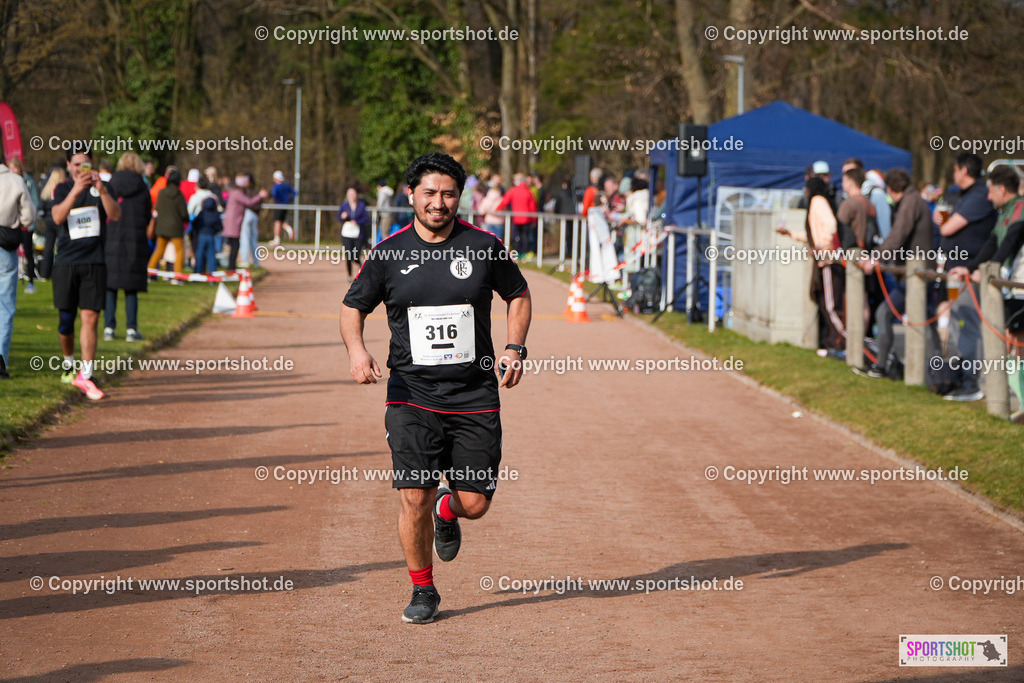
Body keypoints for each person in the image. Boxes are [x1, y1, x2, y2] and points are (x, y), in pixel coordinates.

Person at [340, 152, 532, 624]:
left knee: (476, 504)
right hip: (411, 393)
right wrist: (357, 351)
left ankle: (450, 508)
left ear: (459, 197)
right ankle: (423, 590)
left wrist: (514, 348)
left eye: (448, 193)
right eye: (429, 193)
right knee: (414, 495)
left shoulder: (484, 245)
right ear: (411, 195)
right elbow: (352, 307)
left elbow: (518, 294)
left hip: (474, 393)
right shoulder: (388, 252)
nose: (438, 202)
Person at [946, 165, 1024, 403]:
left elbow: (1011, 240)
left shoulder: (1020, 208)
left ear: (1002, 189)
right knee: (1013, 338)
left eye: (990, 191)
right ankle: (1017, 398)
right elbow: (992, 243)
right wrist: (971, 268)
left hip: (1019, 282)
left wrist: (993, 268)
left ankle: (1018, 398)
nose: (988, 197)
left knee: (1018, 339)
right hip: (1011, 283)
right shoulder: (1003, 212)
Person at [50, 150, 121, 399]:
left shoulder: (102, 186)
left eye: (85, 164)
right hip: (67, 262)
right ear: (69, 165)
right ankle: (69, 362)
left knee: (90, 317)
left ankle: (87, 374)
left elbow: (115, 215)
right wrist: (75, 190)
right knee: (66, 321)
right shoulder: (61, 189)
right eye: (76, 164)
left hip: (94, 261)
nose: (81, 168)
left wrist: (101, 190)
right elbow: (58, 216)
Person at [855, 169, 937, 378]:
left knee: (885, 313)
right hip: (919, 272)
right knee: (929, 323)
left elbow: (897, 234)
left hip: (917, 274)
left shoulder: (910, 202)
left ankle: (882, 366)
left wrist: (876, 257)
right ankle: (938, 373)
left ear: (891, 189)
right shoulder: (914, 200)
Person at [937, 153, 998, 401]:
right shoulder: (960, 194)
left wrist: (944, 221)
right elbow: (943, 220)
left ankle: (972, 384)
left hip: (968, 272)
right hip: (955, 271)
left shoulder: (979, 195)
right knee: (956, 323)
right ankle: (960, 378)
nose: (953, 174)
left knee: (967, 325)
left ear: (963, 170)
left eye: (955, 170)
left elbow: (946, 226)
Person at [105, 152, 152, 342]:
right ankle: (131, 328)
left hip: (112, 236)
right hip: (135, 238)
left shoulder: (111, 185)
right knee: (131, 286)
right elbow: (147, 214)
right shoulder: (142, 186)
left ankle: (109, 327)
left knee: (111, 285)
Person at [0, 157, 36, 379]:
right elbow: (29, 216)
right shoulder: (15, 181)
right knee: (4, 305)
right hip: (5, 245)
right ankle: (1, 359)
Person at [147, 169, 189, 278]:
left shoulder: (162, 192)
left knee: (159, 251)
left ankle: (149, 272)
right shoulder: (179, 195)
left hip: (162, 227)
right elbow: (184, 213)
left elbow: (156, 207)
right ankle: (178, 276)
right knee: (179, 252)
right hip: (176, 228)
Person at [6, 158, 40, 294]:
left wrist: (29, 221)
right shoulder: (6, 183)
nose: (13, 170)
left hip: (25, 224)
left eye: (15, 168)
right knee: (10, 254)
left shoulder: (27, 182)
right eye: (11, 168)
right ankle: (10, 280)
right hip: (12, 224)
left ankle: (30, 282)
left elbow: (34, 203)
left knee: (28, 253)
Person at [222, 174, 268, 271]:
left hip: (234, 222)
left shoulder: (237, 192)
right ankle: (231, 267)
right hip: (233, 222)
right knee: (235, 245)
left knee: (235, 245)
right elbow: (249, 202)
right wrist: (260, 196)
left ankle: (232, 266)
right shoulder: (237, 193)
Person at [495, 173, 538, 257]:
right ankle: (524, 252)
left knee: (517, 236)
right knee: (525, 236)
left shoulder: (513, 190)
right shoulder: (528, 192)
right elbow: (533, 207)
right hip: (527, 219)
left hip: (517, 218)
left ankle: (517, 252)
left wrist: (497, 209)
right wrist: (534, 220)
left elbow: (505, 201)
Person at [37, 168, 66, 280]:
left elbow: (42, 207)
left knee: (48, 247)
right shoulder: (62, 190)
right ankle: (60, 271)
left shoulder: (47, 190)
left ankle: (45, 273)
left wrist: (45, 218)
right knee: (61, 246)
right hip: (59, 220)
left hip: (49, 221)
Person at [338, 186, 370, 281]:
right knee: (348, 255)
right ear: (347, 195)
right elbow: (338, 218)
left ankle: (362, 270)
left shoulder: (361, 206)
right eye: (350, 194)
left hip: (358, 233)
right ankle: (349, 275)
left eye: (353, 194)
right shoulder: (344, 205)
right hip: (347, 233)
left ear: (356, 195)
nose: (352, 196)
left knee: (356, 255)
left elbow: (366, 219)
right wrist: (343, 217)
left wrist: (357, 222)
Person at [191, 197, 223, 275]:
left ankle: (197, 274)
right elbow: (220, 227)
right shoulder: (215, 215)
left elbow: (194, 223)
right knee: (211, 256)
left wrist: (198, 231)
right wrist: (214, 231)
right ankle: (212, 275)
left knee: (199, 256)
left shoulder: (201, 214)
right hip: (211, 236)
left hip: (201, 236)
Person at [270, 170, 296, 246]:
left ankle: (277, 239)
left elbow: (274, 195)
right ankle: (289, 229)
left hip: (278, 205)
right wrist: (289, 200)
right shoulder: (286, 186)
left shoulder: (276, 187)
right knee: (281, 221)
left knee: (277, 222)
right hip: (285, 205)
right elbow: (294, 193)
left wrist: (277, 200)